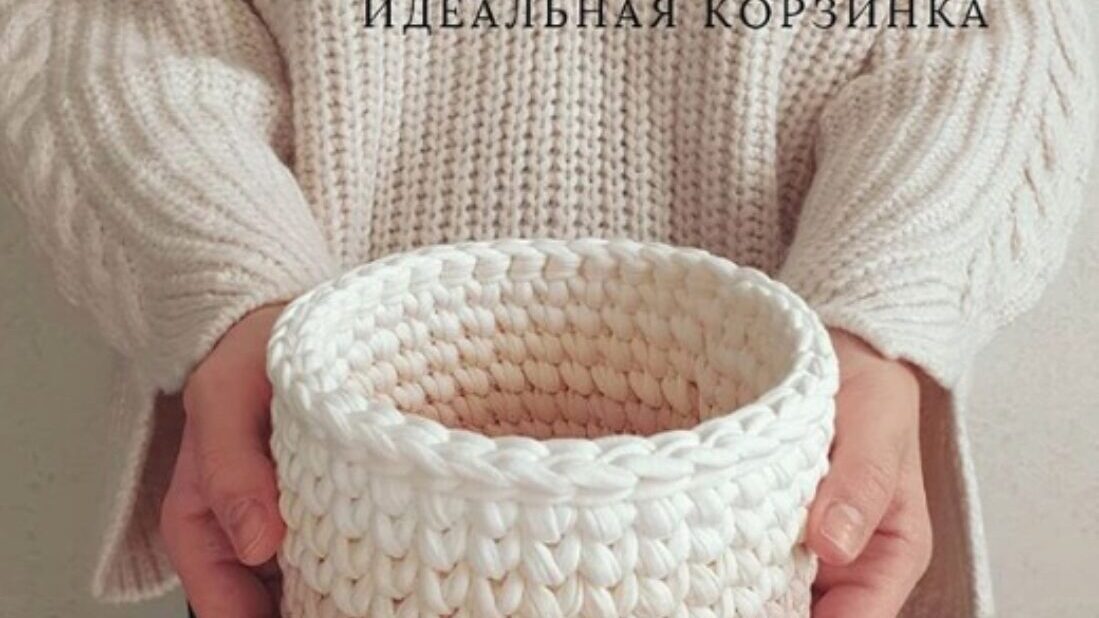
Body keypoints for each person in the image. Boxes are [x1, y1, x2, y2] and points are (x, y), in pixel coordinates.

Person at [0, 0, 1093, 616]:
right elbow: (123, 38)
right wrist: (228, 288)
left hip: (768, 530)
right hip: (337, 518)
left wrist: (880, 305)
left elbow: (988, 44)